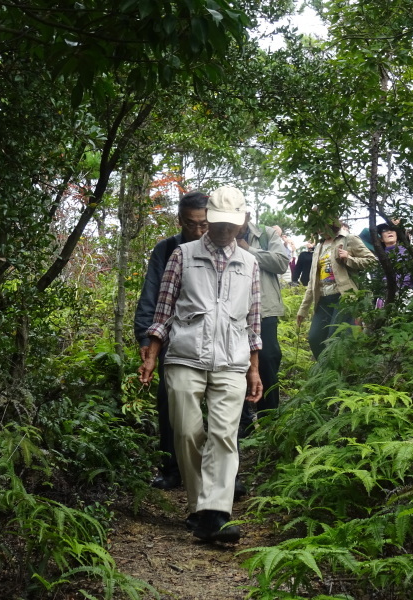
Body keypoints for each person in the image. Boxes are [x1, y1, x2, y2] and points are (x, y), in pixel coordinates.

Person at [138, 186, 263, 544]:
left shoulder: (249, 263)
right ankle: (198, 507)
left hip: (232, 359)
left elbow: (253, 322)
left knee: (225, 435)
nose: (224, 231)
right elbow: (163, 310)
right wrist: (151, 353)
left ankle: (215, 514)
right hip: (184, 356)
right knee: (187, 431)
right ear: (208, 218)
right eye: (219, 223)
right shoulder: (182, 255)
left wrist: (254, 368)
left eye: (231, 225)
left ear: (241, 223)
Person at [134, 191, 209, 491]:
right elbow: (151, 295)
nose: (199, 231)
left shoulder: (219, 247)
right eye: (192, 224)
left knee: (220, 405)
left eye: (204, 224)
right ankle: (171, 467)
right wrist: (145, 336)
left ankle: (226, 473)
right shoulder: (165, 250)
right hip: (172, 336)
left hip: (214, 338)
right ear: (180, 220)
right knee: (168, 401)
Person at [235, 214, 289, 436]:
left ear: (247, 216)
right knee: (236, 362)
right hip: (234, 310)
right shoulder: (220, 233)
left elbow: (281, 262)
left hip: (264, 309)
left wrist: (249, 251)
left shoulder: (266, 234)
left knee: (267, 359)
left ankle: (269, 421)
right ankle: (243, 422)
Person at [296, 219, 376, 358]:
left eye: (321, 224)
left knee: (336, 337)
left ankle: (337, 374)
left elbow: (371, 260)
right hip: (323, 299)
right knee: (315, 338)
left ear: (331, 222)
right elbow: (313, 282)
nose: (319, 229)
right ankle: (324, 373)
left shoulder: (348, 239)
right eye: (316, 226)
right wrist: (303, 310)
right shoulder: (319, 247)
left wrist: (348, 258)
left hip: (343, 296)